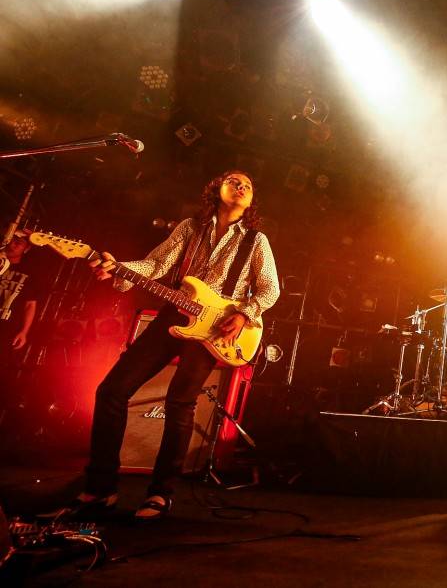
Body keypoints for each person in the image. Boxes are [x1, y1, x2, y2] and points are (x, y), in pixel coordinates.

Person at [56, 171, 279, 520]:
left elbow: (270, 289)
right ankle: (100, 488)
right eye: (234, 181)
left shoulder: (256, 241)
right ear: (216, 189)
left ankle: (161, 493)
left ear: (251, 200)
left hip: (213, 329)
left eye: (248, 185)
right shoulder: (191, 228)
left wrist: (242, 315)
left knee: (180, 402)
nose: (241, 187)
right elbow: (156, 264)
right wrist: (118, 268)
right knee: (112, 390)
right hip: (173, 315)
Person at [0, 231, 42, 369]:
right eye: (11, 240)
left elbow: (30, 304)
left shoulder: (29, 273)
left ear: (27, 248)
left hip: (6, 329)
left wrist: (24, 332)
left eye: (18, 243)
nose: (12, 244)